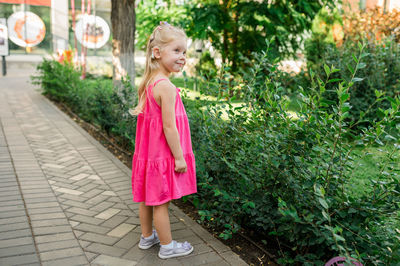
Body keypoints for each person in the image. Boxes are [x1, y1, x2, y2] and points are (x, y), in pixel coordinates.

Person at [129, 21, 197, 259]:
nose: (183, 57)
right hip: (163, 155)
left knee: (147, 198)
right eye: (176, 51)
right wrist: (179, 157)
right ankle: (168, 246)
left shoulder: (149, 82)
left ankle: (147, 237)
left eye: (185, 52)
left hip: (149, 156)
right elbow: (169, 126)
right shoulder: (165, 87)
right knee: (161, 202)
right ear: (157, 53)